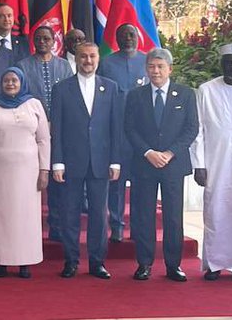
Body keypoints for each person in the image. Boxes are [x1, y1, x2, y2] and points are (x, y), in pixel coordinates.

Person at [51, 43, 123, 279]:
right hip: (71, 161)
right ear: (76, 59)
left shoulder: (110, 88)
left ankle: (96, 262)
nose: (88, 60)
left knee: (98, 214)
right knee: (69, 213)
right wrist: (57, 162)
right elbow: (57, 129)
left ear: (98, 58)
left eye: (92, 56)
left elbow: (115, 127)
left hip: (101, 161)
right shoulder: (61, 89)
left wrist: (115, 161)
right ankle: (71, 260)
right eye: (83, 56)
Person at [125, 48, 197, 282]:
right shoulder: (136, 95)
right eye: (151, 67)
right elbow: (130, 128)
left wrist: (169, 153)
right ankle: (144, 264)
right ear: (146, 69)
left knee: (173, 217)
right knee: (144, 216)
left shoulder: (185, 95)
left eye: (160, 67)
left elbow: (191, 129)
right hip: (144, 164)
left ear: (170, 69)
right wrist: (148, 152)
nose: (155, 71)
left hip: (173, 164)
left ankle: (173, 265)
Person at [0, 69, 50, 278]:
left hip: (29, 171)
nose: (10, 83)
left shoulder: (34, 104)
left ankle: (25, 263)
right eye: (6, 80)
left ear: (22, 82)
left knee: (26, 216)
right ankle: (2, 262)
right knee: (1, 215)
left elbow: (43, 139)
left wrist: (44, 169)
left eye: (14, 80)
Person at [191, 43, 232, 282]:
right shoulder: (206, 90)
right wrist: (199, 164)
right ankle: (215, 263)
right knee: (216, 210)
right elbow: (198, 131)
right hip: (216, 162)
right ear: (221, 64)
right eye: (229, 62)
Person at [16, 26, 73, 243]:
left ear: (54, 41)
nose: (42, 41)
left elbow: (70, 96)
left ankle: (57, 225)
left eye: (46, 38)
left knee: (57, 179)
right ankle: (28, 227)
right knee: (31, 178)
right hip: (31, 132)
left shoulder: (65, 66)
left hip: (61, 131)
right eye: (38, 38)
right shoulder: (22, 66)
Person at [99, 23, 148, 243]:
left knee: (140, 183)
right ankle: (117, 226)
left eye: (131, 34)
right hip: (115, 131)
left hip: (142, 134)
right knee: (116, 183)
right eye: (123, 36)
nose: (128, 38)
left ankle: (138, 226)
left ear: (137, 37)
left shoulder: (148, 61)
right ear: (116, 40)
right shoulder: (106, 63)